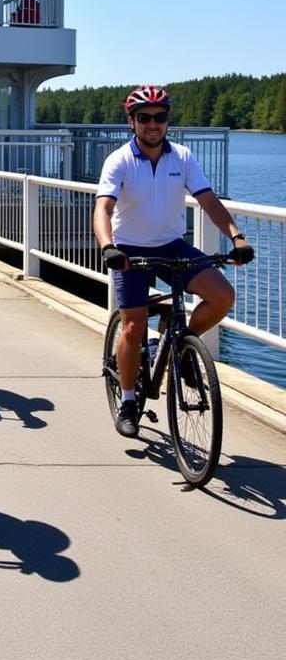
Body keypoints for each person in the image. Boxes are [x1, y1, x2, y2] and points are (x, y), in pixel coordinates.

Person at [93, 84, 254, 438]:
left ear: (168, 121)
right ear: (131, 122)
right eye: (145, 118)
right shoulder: (119, 160)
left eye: (160, 117)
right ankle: (130, 401)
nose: (153, 124)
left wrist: (237, 237)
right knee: (133, 325)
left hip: (172, 246)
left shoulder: (181, 156)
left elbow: (209, 202)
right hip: (130, 250)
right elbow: (103, 208)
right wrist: (108, 247)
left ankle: (179, 343)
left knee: (223, 296)